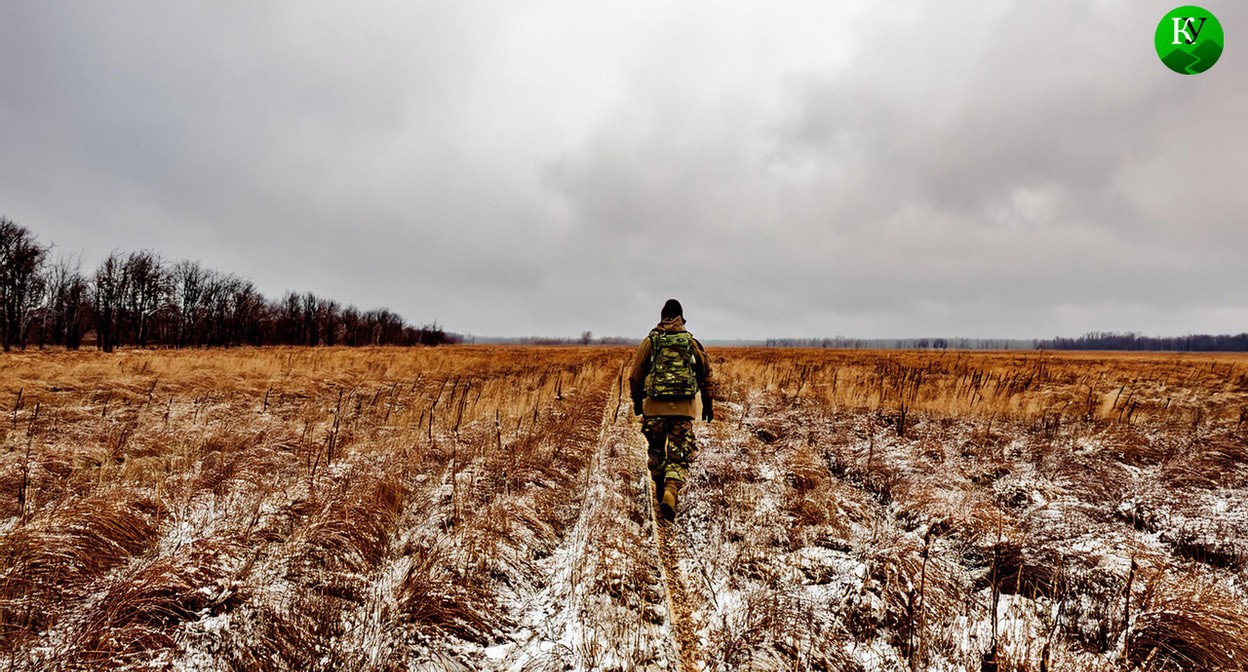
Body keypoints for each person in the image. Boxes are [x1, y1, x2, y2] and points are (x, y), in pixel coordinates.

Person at [629, 299, 714, 521]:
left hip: (654, 408)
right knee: (680, 454)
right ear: (681, 317)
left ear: (662, 317)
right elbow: (706, 375)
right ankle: (671, 490)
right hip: (683, 409)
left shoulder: (651, 341)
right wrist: (708, 404)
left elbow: (635, 375)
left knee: (656, 450)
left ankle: (660, 488)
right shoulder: (691, 342)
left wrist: (638, 403)